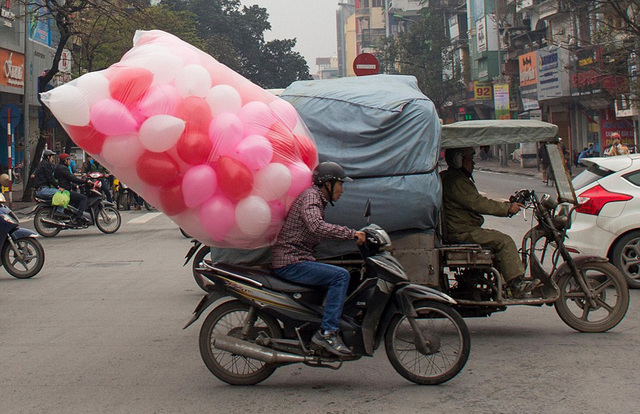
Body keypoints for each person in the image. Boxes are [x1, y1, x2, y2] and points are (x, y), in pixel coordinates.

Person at [272, 161, 366, 357]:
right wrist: (351, 234)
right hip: (291, 261)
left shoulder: (316, 198)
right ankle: (328, 333)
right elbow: (317, 226)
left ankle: (322, 323)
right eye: (340, 184)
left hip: (300, 258)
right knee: (340, 277)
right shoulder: (311, 197)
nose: (343, 189)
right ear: (328, 183)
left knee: (348, 273)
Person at [440, 147, 539, 298]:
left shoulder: (453, 178)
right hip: (462, 232)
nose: (473, 163)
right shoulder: (455, 181)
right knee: (504, 241)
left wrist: (507, 205)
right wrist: (507, 209)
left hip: (462, 228)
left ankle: (505, 282)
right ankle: (516, 285)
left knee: (497, 239)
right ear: (459, 160)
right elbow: (479, 203)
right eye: (470, 159)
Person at [56, 153, 91, 224]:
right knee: (83, 198)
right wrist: (85, 181)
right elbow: (72, 178)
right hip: (66, 191)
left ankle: (73, 215)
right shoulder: (63, 168)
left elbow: (66, 178)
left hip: (64, 189)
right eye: (69, 160)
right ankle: (79, 217)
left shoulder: (59, 167)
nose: (70, 161)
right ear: (65, 161)